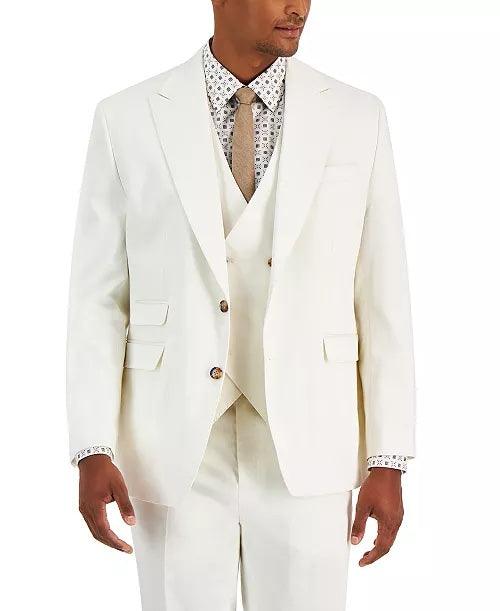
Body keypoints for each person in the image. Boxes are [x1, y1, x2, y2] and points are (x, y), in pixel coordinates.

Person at [66, 1, 416, 609]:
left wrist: (389, 457)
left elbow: (383, 294)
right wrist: (91, 446)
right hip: (171, 440)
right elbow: (98, 298)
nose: (298, 6)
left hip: (310, 433)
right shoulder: (126, 118)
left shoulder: (359, 117)